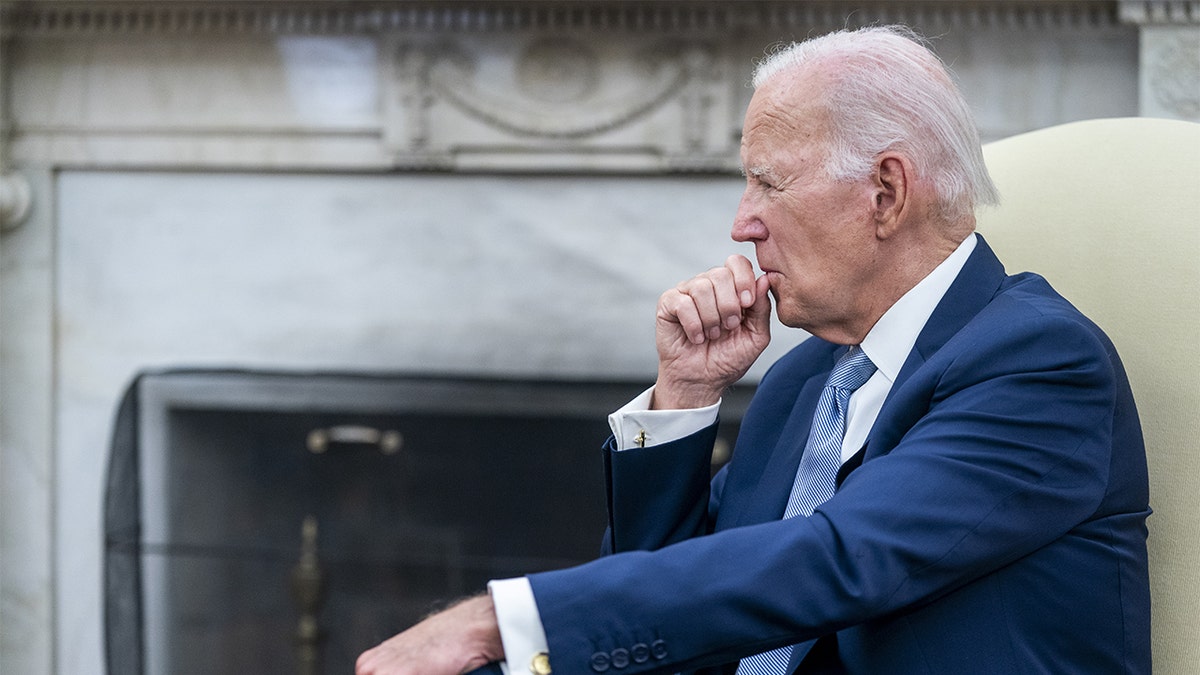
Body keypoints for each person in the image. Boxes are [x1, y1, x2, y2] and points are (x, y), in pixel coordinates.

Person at [357, 25, 1151, 675]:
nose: (743, 222)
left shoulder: (1040, 364)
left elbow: (837, 559)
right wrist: (685, 396)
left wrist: (502, 618)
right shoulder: (805, 379)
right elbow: (667, 629)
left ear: (886, 192)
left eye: (769, 184)